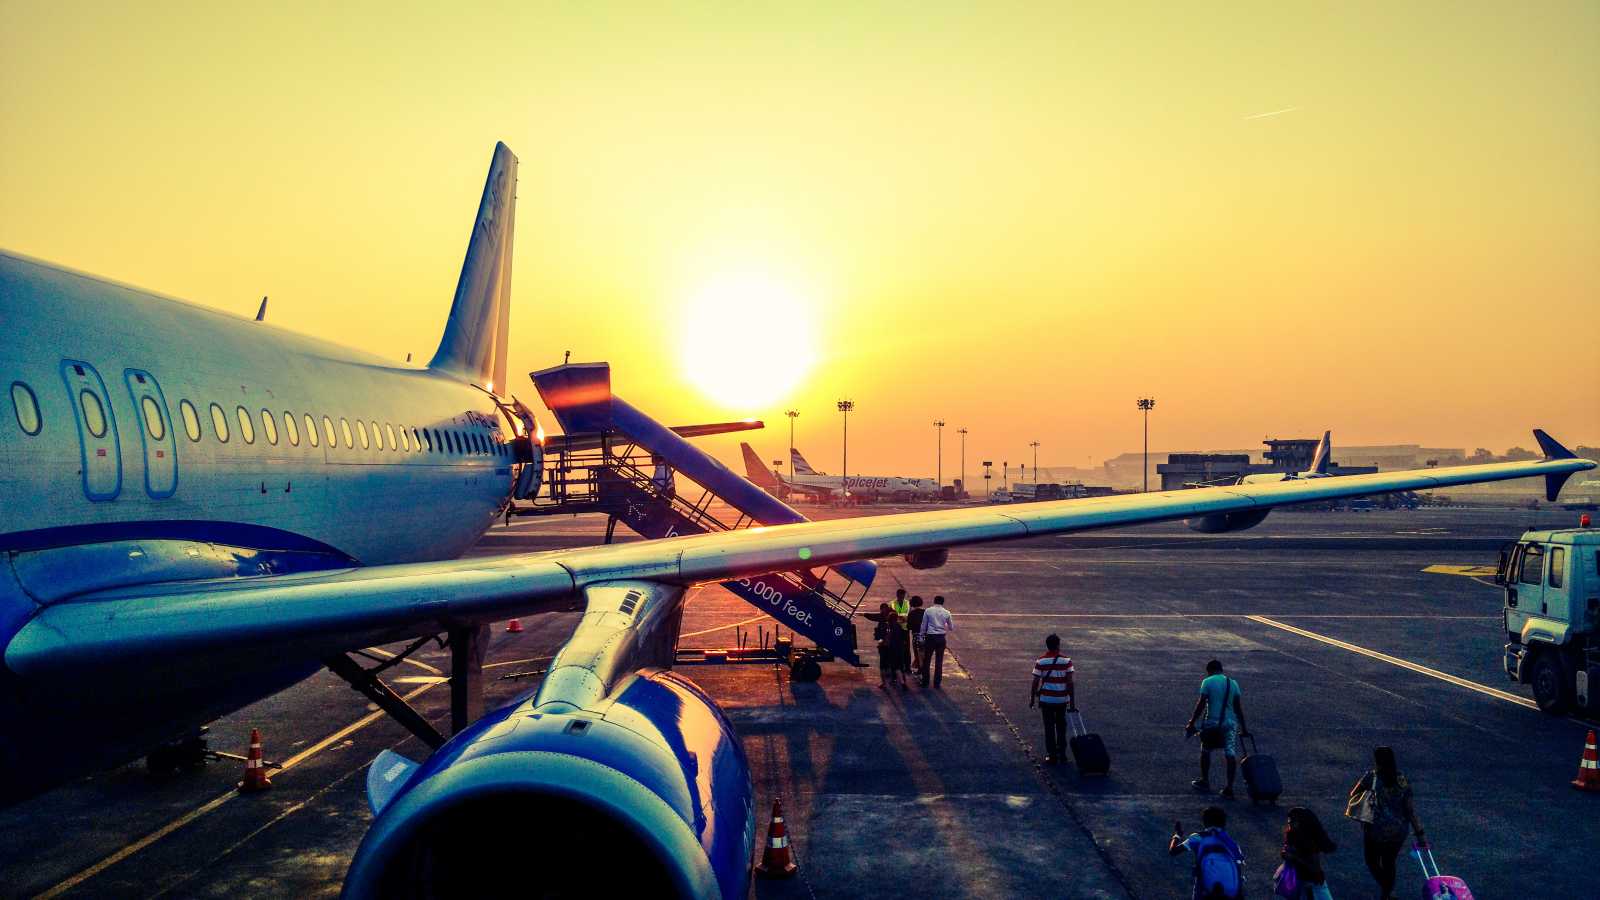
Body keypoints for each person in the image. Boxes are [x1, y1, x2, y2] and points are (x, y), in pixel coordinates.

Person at [1345, 746, 1425, 900]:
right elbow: (1409, 810)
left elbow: (1353, 793)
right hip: (1398, 830)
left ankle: (1387, 890)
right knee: (1389, 862)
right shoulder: (1402, 780)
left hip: (1375, 828)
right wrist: (1419, 833)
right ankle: (1387, 893)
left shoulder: (1371, 777)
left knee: (1371, 861)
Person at [1183, 660, 1249, 798]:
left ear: (1209, 670)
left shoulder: (1207, 682)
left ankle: (1205, 780)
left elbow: (1201, 704)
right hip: (1231, 723)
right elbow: (1238, 707)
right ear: (1221, 669)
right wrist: (1244, 728)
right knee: (1230, 753)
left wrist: (1192, 722)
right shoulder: (1233, 683)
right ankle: (1229, 787)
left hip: (1213, 722)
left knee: (1206, 750)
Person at [1168, 805, 1245, 899]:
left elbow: (1173, 851)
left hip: (1204, 891)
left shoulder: (1197, 837)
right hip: (1231, 892)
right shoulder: (1230, 842)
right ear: (1223, 823)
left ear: (1205, 822)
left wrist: (1177, 835)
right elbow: (1239, 866)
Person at [1029, 634, 1076, 764]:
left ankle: (1051, 754)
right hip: (1061, 700)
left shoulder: (1041, 661)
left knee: (1049, 727)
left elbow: (1035, 682)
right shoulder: (1066, 661)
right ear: (1058, 645)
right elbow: (1070, 683)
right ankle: (1062, 753)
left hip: (1046, 700)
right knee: (1061, 727)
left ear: (1047, 645)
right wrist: (1072, 703)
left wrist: (1032, 698)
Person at [1279, 806, 1336, 899]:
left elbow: (1314, 867)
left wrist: (1294, 857)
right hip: (1298, 880)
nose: (1290, 823)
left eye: (1293, 821)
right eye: (1289, 821)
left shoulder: (1309, 843)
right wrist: (1286, 854)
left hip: (1309, 881)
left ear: (1302, 823)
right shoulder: (1292, 835)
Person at [919, 595, 953, 687]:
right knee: (939, 661)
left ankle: (925, 681)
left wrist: (921, 637)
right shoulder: (947, 613)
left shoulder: (928, 611)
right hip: (941, 638)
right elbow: (951, 627)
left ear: (934, 601)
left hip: (930, 637)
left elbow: (923, 625)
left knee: (927, 660)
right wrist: (943, 624)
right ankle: (937, 683)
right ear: (942, 602)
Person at [891, 591, 913, 676]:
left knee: (906, 649)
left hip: (905, 629)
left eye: (903, 596)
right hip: (896, 629)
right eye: (900, 596)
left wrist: (904, 618)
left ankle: (907, 667)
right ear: (897, 595)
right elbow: (892, 615)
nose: (901, 598)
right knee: (896, 648)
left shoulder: (908, 603)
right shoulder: (892, 603)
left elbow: (910, 614)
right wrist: (902, 618)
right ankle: (897, 666)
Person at [906, 595, 927, 677]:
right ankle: (923, 670)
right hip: (925, 636)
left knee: (917, 654)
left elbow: (909, 627)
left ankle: (920, 670)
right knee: (924, 654)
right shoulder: (925, 612)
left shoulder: (911, 613)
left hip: (916, 636)